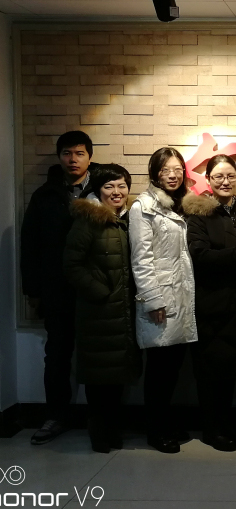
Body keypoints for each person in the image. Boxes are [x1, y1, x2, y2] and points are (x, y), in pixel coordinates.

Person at [183, 155, 236, 452]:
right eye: (218, 176)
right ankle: (211, 429)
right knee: (211, 372)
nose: (225, 181)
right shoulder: (198, 215)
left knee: (230, 370)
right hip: (212, 303)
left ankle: (225, 424)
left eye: (230, 175)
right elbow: (201, 257)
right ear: (208, 180)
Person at [21, 130, 98, 445]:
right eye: (67, 153)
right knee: (57, 355)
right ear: (59, 157)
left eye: (79, 153)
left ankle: (101, 418)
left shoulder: (104, 187)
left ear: (89, 156)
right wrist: (33, 290)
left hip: (95, 288)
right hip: (57, 289)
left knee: (97, 354)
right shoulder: (45, 195)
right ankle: (56, 416)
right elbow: (30, 244)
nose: (73, 159)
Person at [63, 164, 142, 453]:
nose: (116, 192)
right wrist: (100, 293)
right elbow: (72, 265)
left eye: (122, 186)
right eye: (109, 186)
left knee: (117, 376)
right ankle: (99, 432)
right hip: (97, 312)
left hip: (124, 311)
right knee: (98, 378)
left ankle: (112, 428)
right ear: (98, 191)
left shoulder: (130, 220)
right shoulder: (88, 220)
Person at [129, 147, 198, 454]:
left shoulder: (182, 205)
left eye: (178, 169)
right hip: (161, 300)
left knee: (172, 369)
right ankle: (155, 430)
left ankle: (164, 423)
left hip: (181, 295)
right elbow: (141, 259)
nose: (173, 175)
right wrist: (153, 300)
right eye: (165, 170)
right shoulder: (143, 207)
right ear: (154, 173)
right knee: (159, 370)